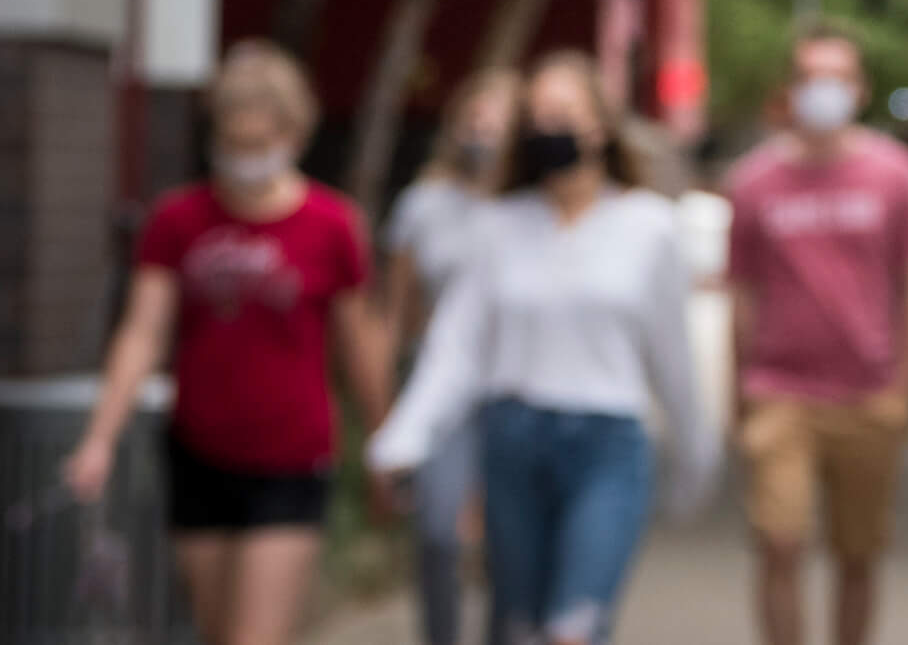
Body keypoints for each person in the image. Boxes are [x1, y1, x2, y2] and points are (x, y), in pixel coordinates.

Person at [369, 51, 717, 645]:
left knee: (572, 627)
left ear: (600, 126)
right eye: (534, 119)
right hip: (514, 440)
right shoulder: (498, 226)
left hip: (607, 446)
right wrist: (404, 436)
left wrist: (694, 458)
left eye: (562, 115)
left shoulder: (649, 227)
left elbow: (672, 357)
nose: (546, 130)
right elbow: (455, 348)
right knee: (520, 625)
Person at [64, 40, 392, 645]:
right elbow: (142, 332)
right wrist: (100, 437)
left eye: (259, 144)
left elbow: (359, 344)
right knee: (215, 632)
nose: (244, 159)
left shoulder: (331, 225)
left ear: (293, 136)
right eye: (233, 143)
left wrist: (382, 440)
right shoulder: (178, 219)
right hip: (200, 451)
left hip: (292, 455)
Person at [726, 24, 908, 645]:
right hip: (780, 392)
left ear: (860, 89)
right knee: (778, 545)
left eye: (838, 77)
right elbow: (742, 295)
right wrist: (736, 394)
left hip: (869, 393)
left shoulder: (897, 175)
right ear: (790, 90)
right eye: (811, 77)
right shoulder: (753, 182)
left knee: (858, 555)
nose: (824, 90)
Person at [379, 68, 519, 645]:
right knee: (438, 530)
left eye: (497, 124)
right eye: (474, 121)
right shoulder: (423, 206)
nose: (482, 135)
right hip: (440, 387)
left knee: (509, 541)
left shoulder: (531, 210)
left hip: (514, 385)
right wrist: (389, 405)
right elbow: (397, 312)